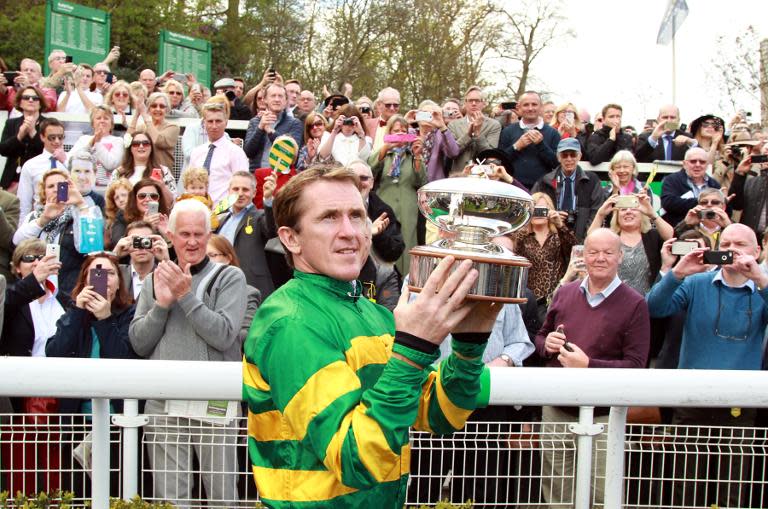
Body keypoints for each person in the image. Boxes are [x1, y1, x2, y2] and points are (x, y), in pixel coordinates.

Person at [243, 165, 499, 508]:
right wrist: (413, 350)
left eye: (358, 216)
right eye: (329, 218)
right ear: (291, 239)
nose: (351, 232)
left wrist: (470, 342)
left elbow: (441, 414)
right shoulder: (288, 321)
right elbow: (356, 459)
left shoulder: (374, 312)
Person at [129, 198, 247, 508]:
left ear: (209, 235)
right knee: (171, 497)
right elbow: (139, 343)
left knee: (222, 495)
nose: (192, 241)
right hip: (163, 401)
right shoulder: (154, 281)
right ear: (170, 235)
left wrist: (185, 296)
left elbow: (223, 335)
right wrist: (162, 305)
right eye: (184, 234)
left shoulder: (230, 277)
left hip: (214, 400)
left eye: (199, 234)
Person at [646, 223, 768, 507]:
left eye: (740, 245)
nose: (731, 251)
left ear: (757, 251)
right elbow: (654, 307)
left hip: (741, 403)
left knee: (733, 490)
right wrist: (676, 272)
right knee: (685, 488)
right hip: (691, 400)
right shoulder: (695, 282)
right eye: (725, 244)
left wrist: (760, 278)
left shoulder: (763, 286)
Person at [536, 228, 650, 508]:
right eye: (593, 252)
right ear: (583, 256)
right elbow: (540, 337)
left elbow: (636, 366)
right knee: (557, 495)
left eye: (608, 252)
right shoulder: (564, 292)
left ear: (620, 257)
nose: (600, 258)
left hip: (604, 416)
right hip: (557, 409)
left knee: (601, 495)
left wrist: (588, 365)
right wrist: (546, 343)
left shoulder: (635, 304)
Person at [0, 239, 68, 496]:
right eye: (30, 258)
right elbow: (6, 303)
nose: (38, 262)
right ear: (16, 267)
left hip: (61, 395)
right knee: (22, 467)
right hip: (21, 398)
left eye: (43, 257)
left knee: (58, 469)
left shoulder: (64, 299)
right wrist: (33, 282)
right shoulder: (11, 298)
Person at [13, 169, 93, 295]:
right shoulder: (35, 216)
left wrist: (80, 204)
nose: (56, 189)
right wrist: (43, 219)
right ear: (43, 192)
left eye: (61, 185)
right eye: (50, 186)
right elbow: (17, 242)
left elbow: (91, 246)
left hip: (68, 289)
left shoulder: (81, 213)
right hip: (35, 289)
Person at [368, 115, 426, 275]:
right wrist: (386, 147)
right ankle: (382, 281)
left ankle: (406, 283)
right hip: (385, 207)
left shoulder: (411, 155)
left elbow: (421, 181)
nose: (400, 134)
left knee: (407, 244)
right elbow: (369, 172)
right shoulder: (383, 153)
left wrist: (417, 156)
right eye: (396, 131)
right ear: (389, 132)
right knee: (384, 242)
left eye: (404, 131)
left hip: (409, 210)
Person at [588, 193, 673, 295]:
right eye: (623, 209)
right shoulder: (610, 237)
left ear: (642, 214)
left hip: (648, 301)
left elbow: (670, 236)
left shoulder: (652, 236)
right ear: (617, 216)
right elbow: (590, 241)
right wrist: (600, 214)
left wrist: (652, 213)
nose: (628, 212)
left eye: (633, 209)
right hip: (614, 300)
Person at [511, 192, 577, 320]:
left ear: (550, 211)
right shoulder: (522, 236)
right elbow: (513, 257)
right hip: (528, 299)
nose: (539, 213)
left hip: (554, 297)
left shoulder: (559, 234)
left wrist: (560, 225)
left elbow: (574, 249)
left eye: (542, 209)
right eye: (535, 209)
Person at [214, 171, 277, 298]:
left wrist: (268, 200)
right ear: (229, 192)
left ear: (254, 193)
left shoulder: (259, 216)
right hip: (219, 285)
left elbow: (271, 230)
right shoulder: (219, 219)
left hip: (249, 288)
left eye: (245, 189)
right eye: (236, 189)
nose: (240, 193)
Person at [531, 138, 605, 242]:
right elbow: (532, 210)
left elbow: (596, 212)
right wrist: (551, 216)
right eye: (564, 155)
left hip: (582, 240)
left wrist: (585, 241)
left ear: (579, 156)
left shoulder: (592, 181)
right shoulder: (545, 182)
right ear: (558, 157)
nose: (569, 159)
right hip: (552, 241)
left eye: (573, 155)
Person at [184, 100, 249, 202]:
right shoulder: (196, 152)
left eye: (218, 121)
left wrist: (224, 211)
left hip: (225, 212)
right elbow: (189, 183)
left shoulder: (236, 152)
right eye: (210, 121)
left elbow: (242, 185)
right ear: (204, 123)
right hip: (198, 211)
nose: (214, 126)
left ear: (226, 122)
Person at [205, 234, 261, 346]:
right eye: (203, 257)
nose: (206, 261)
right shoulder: (191, 289)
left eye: (212, 255)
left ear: (228, 259)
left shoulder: (248, 293)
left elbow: (246, 335)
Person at [347, 159, 405, 265]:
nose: (358, 183)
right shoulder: (334, 207)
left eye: (363, 178)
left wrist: (379, 235)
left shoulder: (383, 211)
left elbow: (395, 252)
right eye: (353, 178)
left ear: (372, 183)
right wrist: (368, 231)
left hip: (373, 276)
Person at [499, 90, 560, 189]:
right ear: (519, 107)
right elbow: (500, 161)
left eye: (534, 104)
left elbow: (556, 163)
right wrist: (516, 147)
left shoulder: (553, 133)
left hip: (542, 188)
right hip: (512, 186)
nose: (530, 108)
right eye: (526, 105)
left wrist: (541, 145)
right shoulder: (508, 131)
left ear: (541, 107)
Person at [17, 118, 68, 220]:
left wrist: (65, 162)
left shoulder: (71, 162)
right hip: (40, 216)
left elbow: (81, 191)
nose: (57, 141)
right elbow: (24, 202)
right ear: (42, 137)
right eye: (52, 138)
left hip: (66, 218)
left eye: (60, 137)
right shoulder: (31, 165)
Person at [244, 83, 303, 170]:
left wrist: (270, 131)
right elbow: (248, 152)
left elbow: (291, 154)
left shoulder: (294, 123)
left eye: (280, 96)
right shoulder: (255, 122)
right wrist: (260, 128)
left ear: (286, 100)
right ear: (265, 100)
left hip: (282, 176)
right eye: (273, 96)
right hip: (256, 175)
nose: (277, 99)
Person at [660, 146, 722, 228]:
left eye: (702, 162)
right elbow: (668, 203)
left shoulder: (714, 184)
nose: (697, 165)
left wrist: (725, 202)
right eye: (693, 161)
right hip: (681, 229)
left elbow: (723, 210)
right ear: (684, 164)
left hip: (709, 230)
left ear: (707, 165)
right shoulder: (671, 180)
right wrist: (702, 202)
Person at [446, 86, 501, 175]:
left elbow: (490, 155)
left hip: (484, 176)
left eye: (477, 100)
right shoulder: (453, 125)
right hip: (459, 176)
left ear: (484, 103)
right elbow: (452, 153)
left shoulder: (494, 125)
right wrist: (468, 135)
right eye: (470, 100)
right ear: (465, 103)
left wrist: (478, 134)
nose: (474, 103)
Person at [0, 85, 47, 189]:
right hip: (13, 178)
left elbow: (49, 150)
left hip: (39, 178)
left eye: (35, 98)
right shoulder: (11, 123)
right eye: (26, 97)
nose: (31, 100)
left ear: (40, 103)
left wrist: (33, 132)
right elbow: (3, 150)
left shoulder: (48, 124)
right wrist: (19, 136)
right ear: (20, 102)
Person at [68, 105, 124, 187]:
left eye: (106, 118)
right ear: (92, 123)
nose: (102, 121)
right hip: (85, 186)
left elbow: (112, 164)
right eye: (98, 118)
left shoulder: (118, 141)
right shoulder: (84, 139)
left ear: (112, 124)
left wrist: (98, 143)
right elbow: (71, 160)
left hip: (108, 187)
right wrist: (91, 143)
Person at [113, 220, 170, 300]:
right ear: (126, 243)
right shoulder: (117, 273)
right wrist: (114, 254)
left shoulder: (163, 275)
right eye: (136, 241)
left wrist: (166, 261)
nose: (141, 247)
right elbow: (97, 284)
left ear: (155, 243)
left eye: (146, 242)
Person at [110, 178, 171, 247]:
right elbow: (117, 243)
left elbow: (174, 255)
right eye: (142, 196)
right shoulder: (122, 216)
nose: (148, 199)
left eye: (153, 196)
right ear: (134, 199)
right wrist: (143, 226)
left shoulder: (165, 218)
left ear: (159, 200)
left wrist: (168, 236)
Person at [110, 131, 177, 195]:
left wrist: (162, 187)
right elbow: (110, 199)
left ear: (151, 148)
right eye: (136, 144)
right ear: (130, 148)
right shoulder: (118, 173)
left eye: (145, 143)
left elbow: (173, 200)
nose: (141, 146)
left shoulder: (164, 171)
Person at [128, 92, 180, 171]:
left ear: (167, 109)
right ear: (149, 109)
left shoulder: (173, 128)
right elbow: (127, 142)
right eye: (154, 106)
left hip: (162, 174)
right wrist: (136, 114)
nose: (158, 109)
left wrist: (145, 116)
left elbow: (158, 141)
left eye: (162, 106)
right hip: (143, 172)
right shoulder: (142, 127)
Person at [413, 100, 460, 182]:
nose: (427, 117)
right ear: (418, 115)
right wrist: (405, 121)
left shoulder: (440, 135)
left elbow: (453, 152)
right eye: (424, 113)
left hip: (433, 185)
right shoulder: (411, 133)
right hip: (412, 185)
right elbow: (389, 139)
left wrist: (442, 126)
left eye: (431, 114)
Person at [729, 153, 768, 234]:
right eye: (764, 156)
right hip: (751, 237)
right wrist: (740, 173)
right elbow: (736, 205)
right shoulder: (752, 181)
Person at [689, 114, 728, 186]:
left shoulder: (723, 153)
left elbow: (709, 170)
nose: (710, 126)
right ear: (698, 128)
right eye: (705, 124)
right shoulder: (690, 147)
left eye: (714, 125)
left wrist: (715, 143)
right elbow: (705, 168)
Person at [104, 178, 132, 248]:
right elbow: (118, 242)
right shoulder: (117, 219)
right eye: (116, 198)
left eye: (124, 195)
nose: (121, 200)